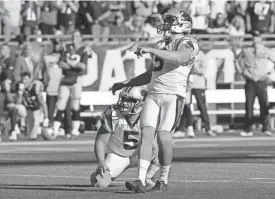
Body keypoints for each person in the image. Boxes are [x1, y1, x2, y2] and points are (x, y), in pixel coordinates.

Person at [112, 8, 199, 192]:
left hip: (173, 96)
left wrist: (150, 49)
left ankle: (163, 179)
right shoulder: (160, 45)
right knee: (146, 136)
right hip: (154, 94)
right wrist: (125, 83)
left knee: (163, 137)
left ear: (181, 24)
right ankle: (141, 180)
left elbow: (178, 58)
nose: (166, 24)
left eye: (170, 20)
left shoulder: (188, 42)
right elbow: (149, 75)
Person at [90, 86, 159, 188]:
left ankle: (147, 178)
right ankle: (100, 173)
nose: (125, 103)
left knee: (162, 152)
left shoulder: (149, 116)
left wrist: (154, 159)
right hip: (117, 155)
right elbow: (100, 142)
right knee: (99, 183)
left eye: (130, 100)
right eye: (124, 99)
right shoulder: (114, 114)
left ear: (141, 103)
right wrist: (101, 163)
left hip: (139, 155)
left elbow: (154, 145)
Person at [52, 30, 91, 139]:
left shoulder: (84, 49)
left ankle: (75, 130)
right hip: (66, 78)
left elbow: (83, 66)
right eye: (73, 36)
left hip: (77, 79)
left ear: (81, 38)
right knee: (60, 104)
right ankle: (55, 129)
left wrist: (68, 64)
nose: (74, 38)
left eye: (76, 36)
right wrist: (74, 65)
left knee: (75, 105)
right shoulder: (66, 47)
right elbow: (60, 63)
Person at [235, 31, 275, 137]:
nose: (255, 40)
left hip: (262, 81)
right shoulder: (246, 50)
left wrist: (269, 74)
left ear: (261, 40)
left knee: (264, 105)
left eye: (257, 38)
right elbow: (236, 60)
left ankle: (265, 128)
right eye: (254, 38)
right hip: (250, 80)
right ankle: (247, 129)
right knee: (249, 105)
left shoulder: (266, 51)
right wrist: (242, 72)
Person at [8, 72, 48, 141]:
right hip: (26, 109)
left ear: (30, 79)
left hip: (36, 109)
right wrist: (20, 92)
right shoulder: (20, 86)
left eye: (26, 79)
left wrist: (46, 117)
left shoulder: (35, 87)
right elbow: (18, 104)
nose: (24, 81)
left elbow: (43, 103)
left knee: (34, 131)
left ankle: (38, 134)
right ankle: (14, 131)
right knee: (14, 108)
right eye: (23, 79)